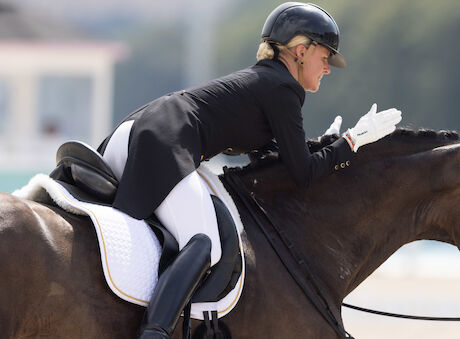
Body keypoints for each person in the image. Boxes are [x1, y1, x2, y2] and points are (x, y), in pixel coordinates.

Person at [98, 2, 402, 338]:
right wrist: (350, 143)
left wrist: (327, 145)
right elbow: (303, 175)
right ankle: (154, 334)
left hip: (132, 131)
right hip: (164, 140)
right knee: (205, 243)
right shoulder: (284, 89)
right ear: (301, 51)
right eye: (325, 57)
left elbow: (278, 161)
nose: (328, 68)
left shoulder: (266, 83)